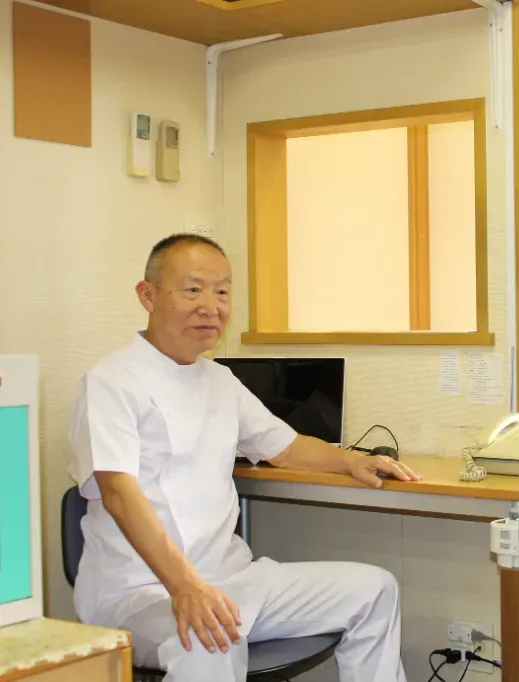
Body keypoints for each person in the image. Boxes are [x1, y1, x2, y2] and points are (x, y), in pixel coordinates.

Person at [68, 234, 421, 682]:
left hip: (230, 580)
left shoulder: (220, 380)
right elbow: (118, 492)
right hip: (140, 594)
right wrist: (186, 587)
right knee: (210, 639)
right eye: (192, 289)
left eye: (222, 291)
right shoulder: (110, 382)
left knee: (374, 590)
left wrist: (351, 461)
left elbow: (286, 446)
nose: (210, 305)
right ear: (148, 295)